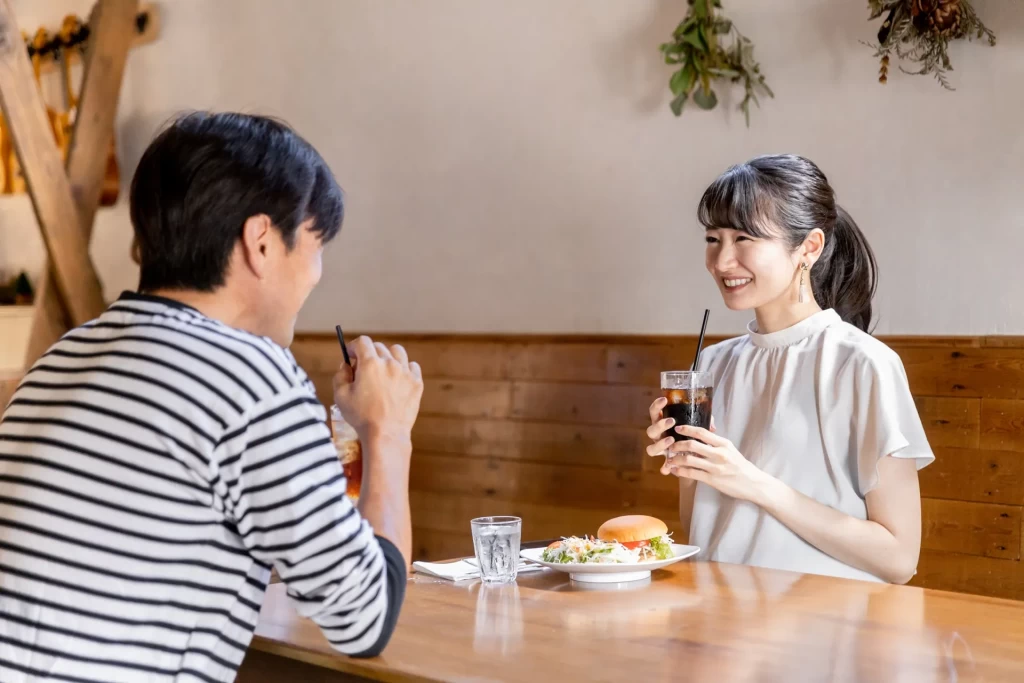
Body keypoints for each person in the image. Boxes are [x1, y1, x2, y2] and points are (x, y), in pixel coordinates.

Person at [0, 112, 422, 682]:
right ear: (262, 242)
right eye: (316, 245)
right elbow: (365, 618)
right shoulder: (253, 378)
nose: (317, 274)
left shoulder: (60, 359)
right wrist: (388, 431)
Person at [647, 154, 933, 584]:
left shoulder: (862, 364)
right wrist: (687, 460)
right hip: (716, 613)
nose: (722, 261)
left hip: (826, 619)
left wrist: (752, 482)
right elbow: (701, 527)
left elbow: (898, 559)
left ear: (809, 248)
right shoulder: (711, 364)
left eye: (744, 238)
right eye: (713, 238)